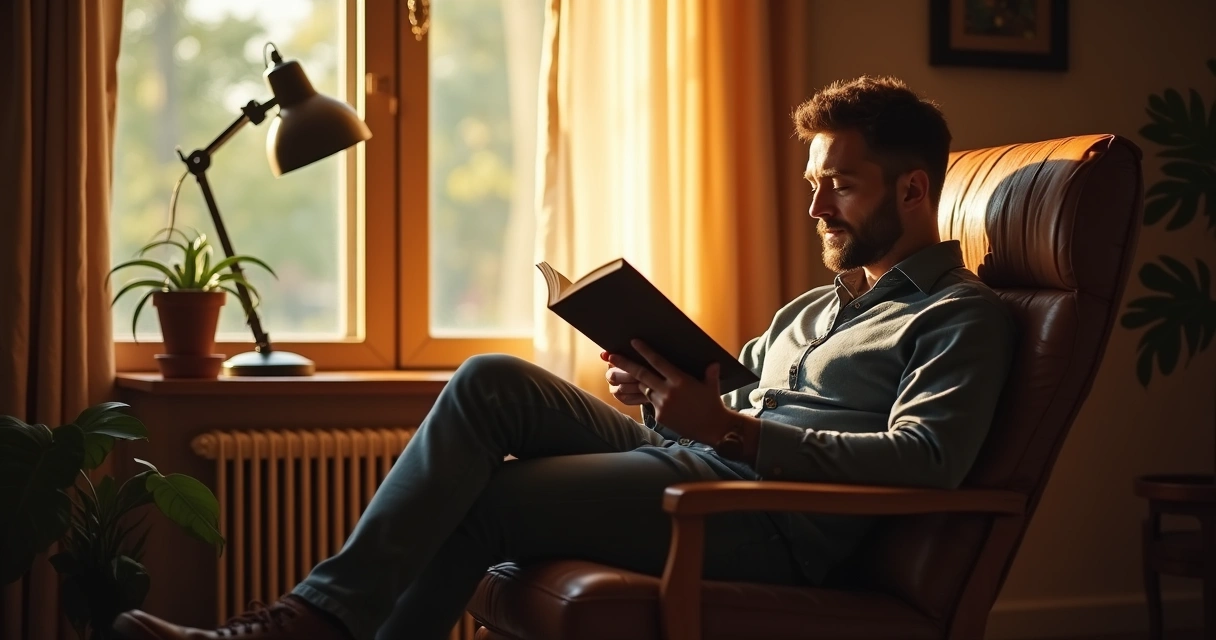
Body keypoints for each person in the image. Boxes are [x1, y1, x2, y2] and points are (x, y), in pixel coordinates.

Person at [113, 75, 1016, 640]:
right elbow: (723, 397)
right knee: (490, 379)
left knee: (486, 503)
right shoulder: (816, 305)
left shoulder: (959, 318)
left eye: (842, 188)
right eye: (815, 185)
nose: (820, 211)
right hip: (702, 459)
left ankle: (304, 625)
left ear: (913, 189)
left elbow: (928, 464)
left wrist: (735, 439)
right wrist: (660, 391)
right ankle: (313, 620)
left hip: (767, 518)